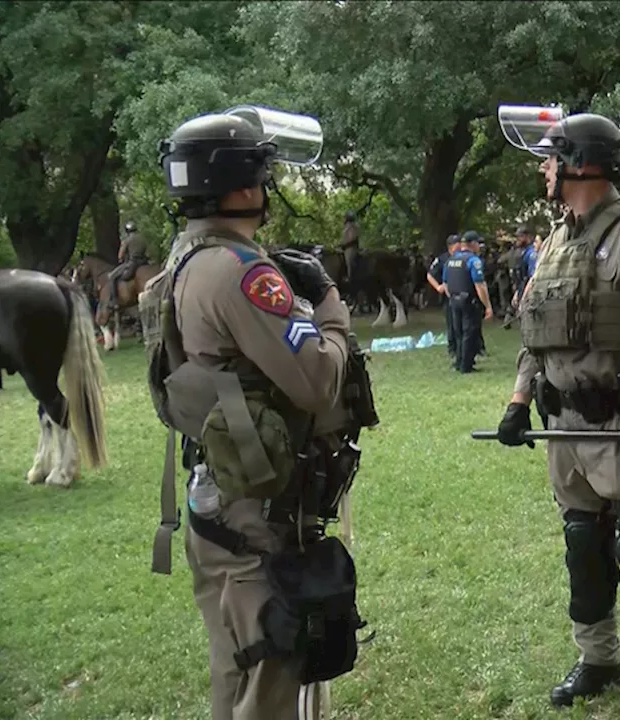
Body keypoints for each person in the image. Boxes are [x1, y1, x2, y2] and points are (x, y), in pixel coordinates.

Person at [141, 109, 373, 719]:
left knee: (236, 667)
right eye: (263, 175)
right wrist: (327, 305)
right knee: (268, 667)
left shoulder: (183, 261)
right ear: (243, 186)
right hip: (258, 518)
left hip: (220, 498)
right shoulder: (242, 272)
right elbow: (318, 380)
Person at [494, 107, 620, 720]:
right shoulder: (556, 241)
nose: (544, 170)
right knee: (583, 546)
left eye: (550, 159)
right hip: (566, 429)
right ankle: (599, 658)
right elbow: (537, 335)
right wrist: (517, 402)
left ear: (579, 164)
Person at [445, 231, 493, 373]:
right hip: (469, 301)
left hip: (454, 300)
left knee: (458, 332)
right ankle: (466, 365)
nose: (480, 246)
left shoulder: (451, 260)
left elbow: (446, 283)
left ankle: (459, 362)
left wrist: (452, 298)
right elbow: (479, 285)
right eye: (478, 243)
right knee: (470, 332)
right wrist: (487, 306)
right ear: (472, 244)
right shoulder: (474, 261)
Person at [427, 235, 463, 359]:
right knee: (452, 324)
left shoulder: (464, 257)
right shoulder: (442, 259)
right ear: (450, 247)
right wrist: (438, 287)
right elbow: (430, 275)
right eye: (456, 246)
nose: (459, 249)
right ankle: (453, 349)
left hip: (462, 295)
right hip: (449, 297)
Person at [108, 220, 149, 309]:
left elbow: (120, 255)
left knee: (112, 277)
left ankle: (114, 301)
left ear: (127, 231)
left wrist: (121, 259)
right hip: (144, 262)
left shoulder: (127, 241)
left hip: (132, 263)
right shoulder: (142, 239)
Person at [340, 211, 360, 285]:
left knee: (349, 260)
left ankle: (350, 277)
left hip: (351, 248)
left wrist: (345, 245)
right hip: (345, 247)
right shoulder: (346, 227)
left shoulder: (353, 226)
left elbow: (353, 239)